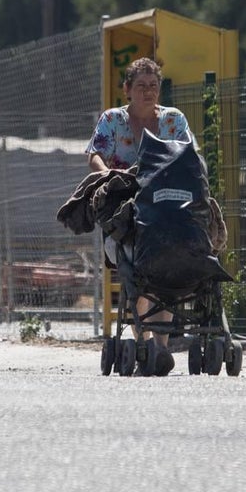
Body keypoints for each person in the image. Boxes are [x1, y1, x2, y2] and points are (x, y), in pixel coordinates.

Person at [85, 57, 194, 375]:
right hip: (126, 214)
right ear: (127, 89)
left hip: (165, 210)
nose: (148, 92)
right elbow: (95, 153)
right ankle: (143, 340)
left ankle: (160, 347)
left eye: (154, 86)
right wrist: (108, 176)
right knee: (136, 272)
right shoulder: (113, 120)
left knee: (168, 271)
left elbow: (189, 154)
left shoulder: (174, 121)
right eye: (141, 86)